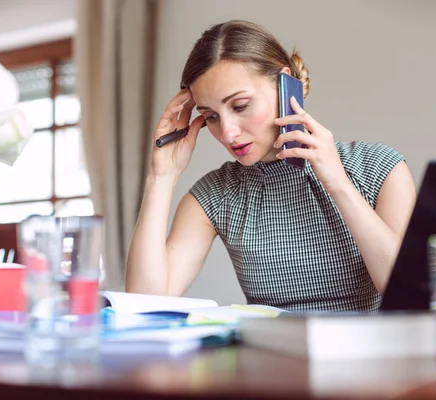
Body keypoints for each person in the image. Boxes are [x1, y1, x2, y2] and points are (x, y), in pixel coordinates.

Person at [126, 20, 416, 312]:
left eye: (240, 106)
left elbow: (406, 296)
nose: (227, 133)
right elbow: (145, 304)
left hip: (371, 355)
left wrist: (338, 184)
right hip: (269, 355)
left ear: (284, 83)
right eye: (211, 116)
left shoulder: (378, 167)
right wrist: (161, 176)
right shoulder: (214, 196)